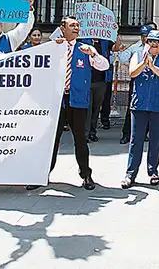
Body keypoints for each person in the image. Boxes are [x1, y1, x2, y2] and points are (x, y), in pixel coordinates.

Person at [30, 16, 109, 192]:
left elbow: (104, 66)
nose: (76, 28)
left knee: (80, 139)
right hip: (57, 101)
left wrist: (93, 54)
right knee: (52, 139)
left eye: (77, 26)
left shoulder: (85, 49)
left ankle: (86, 175)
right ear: (62, 29)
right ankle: (42, 174)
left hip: (78, 100)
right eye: (72, 25)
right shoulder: (54, 47)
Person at [122, 29, 159, 188]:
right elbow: (132, 73)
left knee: (155, 140)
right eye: (151, 41)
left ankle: (153, 171)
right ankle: (130, 173)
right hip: (139, 104)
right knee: (136, 140)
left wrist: (152, 67)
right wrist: (144, 63)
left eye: (158, 42)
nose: (154, 44)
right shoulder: (137, 55)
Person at [117, 24, 154, 145]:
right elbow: (122, 58)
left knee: (149, 108)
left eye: (146, 36)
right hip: (137, 79)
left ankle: (143, 133)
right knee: (132, 107)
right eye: (142, 36)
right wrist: (122, 51)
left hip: (152, 80)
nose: (144, 38)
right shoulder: (135, 47)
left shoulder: (155, 47)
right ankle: (127, 134)